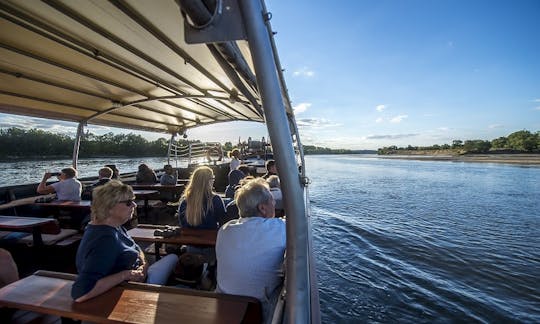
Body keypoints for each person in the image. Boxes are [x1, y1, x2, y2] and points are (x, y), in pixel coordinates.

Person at [71, 181, 178, 302]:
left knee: (173, 258)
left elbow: (136, 247)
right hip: (130, 288)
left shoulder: (113, 226)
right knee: (174, 257)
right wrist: (126, 274)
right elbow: (79, 293)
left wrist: (144, 264)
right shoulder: (106, 240)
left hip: (140, 272)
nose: (134, 205)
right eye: (128, 203)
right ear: (109, 207)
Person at [216, 178, 285, 320]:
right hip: (257, 309)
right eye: (272, 201)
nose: (275, 204)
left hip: (222, 302)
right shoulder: (281, 228)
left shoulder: (225, 229)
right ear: (262, 208)